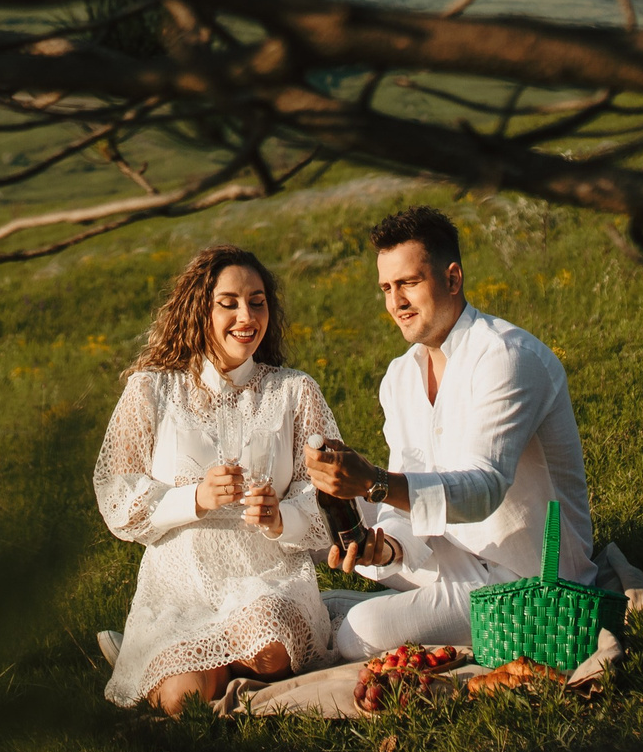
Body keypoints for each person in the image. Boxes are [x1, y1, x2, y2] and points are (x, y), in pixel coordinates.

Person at [305, 205, 595, 662]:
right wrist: (388, 549)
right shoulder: (400, 377)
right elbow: (411, 491)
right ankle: (354, 613)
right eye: (386, 287)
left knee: (356, 631)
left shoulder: (505, 356)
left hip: (527, 579)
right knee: (315, 554)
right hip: (450, 558)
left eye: (409, 283)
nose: (395, 301)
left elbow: (482, 490)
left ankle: (362, 621)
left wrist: (375, 482)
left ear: (453, 279)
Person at [92, 244, 343, 714]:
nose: (246, 315)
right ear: (198, 309)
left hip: (267, 574)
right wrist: (195, 499)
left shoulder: (294, 390)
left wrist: (279, 517)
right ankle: (161, 657)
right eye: (228, 302)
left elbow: (330, 494)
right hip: (181, 582)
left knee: (268, 654)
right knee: (183, 702)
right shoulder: (151, 389)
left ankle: (212, 664)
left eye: (257, 300)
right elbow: (116, 492)